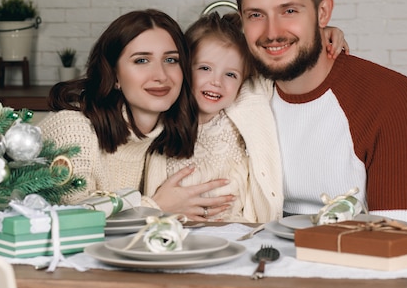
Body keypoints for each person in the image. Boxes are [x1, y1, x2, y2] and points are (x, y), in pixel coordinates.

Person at [233, 0, 407, 225]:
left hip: (351, 261)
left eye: (289, 11)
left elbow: (403, 239)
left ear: (323, 13)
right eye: (256, 15)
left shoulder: (391, 99)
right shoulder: (238, 93)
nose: (272, 32)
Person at [145, 12, 349, 223]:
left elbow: (285, 64)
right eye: (205, 68)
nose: (217, 82)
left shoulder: (247, 102)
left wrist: (316, 37)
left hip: (239, 232)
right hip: (176, 234)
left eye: (231, 74)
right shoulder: (162, 118)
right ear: (185, 69)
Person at [38, 9, 233, 218]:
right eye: (141, 60)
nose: (161, 75)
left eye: (171, 60)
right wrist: (156, 207)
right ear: (114, 76)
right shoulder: (73, 129)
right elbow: (71, 220)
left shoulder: (165, 136)